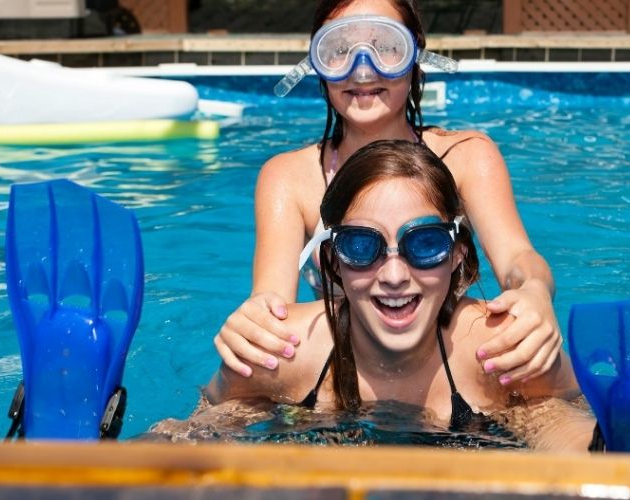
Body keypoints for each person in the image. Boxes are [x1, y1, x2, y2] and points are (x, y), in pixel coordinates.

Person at [215, 0, 561, 388]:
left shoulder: (466, 157)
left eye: (386, 46)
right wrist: (250, 326)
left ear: (414, 55)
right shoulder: (289, 177)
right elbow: (271, 306)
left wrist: (534, 292)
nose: (363, 70)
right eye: (340, 50)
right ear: (317, 63)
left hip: (448, 372)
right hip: (342, 383)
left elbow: (517, 256)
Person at [206, 140, 593, 451]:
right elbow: (191, 437)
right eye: (361, 245)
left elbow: (573, 436)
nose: (394, 275)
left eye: (425, 244)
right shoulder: (281, 352)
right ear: (332, 261)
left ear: (457, 253)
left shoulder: (501, 351)